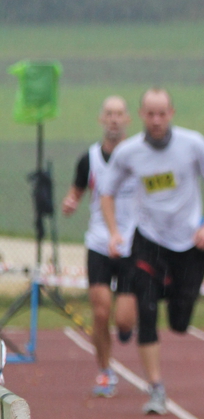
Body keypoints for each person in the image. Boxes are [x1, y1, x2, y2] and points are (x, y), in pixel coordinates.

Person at [103, 89, 204, 416]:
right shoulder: (129, 152)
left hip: (188, 243)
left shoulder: (193, 144)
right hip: (149, 240)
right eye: (150, 114)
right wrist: (115, 232)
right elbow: (107, 191)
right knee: (147, 313)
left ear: (171, 113)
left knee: (179, 322)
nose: (156, 121)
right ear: (141, 115)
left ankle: (171, 303)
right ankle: (156, 387)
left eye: (162, 114)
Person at [61, 95, 140, 397]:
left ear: (128, 119)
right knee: (101, 312)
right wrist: (70, 203)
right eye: (109, 114)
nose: (114, 119)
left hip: (132, 243)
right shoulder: (89, 159)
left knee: (123, 320)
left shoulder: (139, 156)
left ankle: (127, 328)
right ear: (101, 119)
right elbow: (75, 193)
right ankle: (105, 372)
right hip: (99, 242)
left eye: (119, 114)